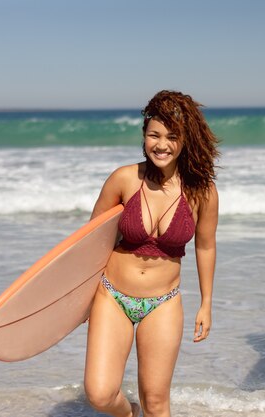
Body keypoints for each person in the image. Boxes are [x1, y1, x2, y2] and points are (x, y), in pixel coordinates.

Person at [84, 90, 219, 417]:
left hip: (164, 302)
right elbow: (89, 240)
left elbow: (205, 245)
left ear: (186, 139)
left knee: (157, 404)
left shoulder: (202, 192)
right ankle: (128, 413)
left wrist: (206, 303)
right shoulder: (124, 179)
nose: (162, 144)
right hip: (112, 296)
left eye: (172, 136)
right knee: (100, 395)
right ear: (143, 136)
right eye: (154, 135)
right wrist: (75, 298)